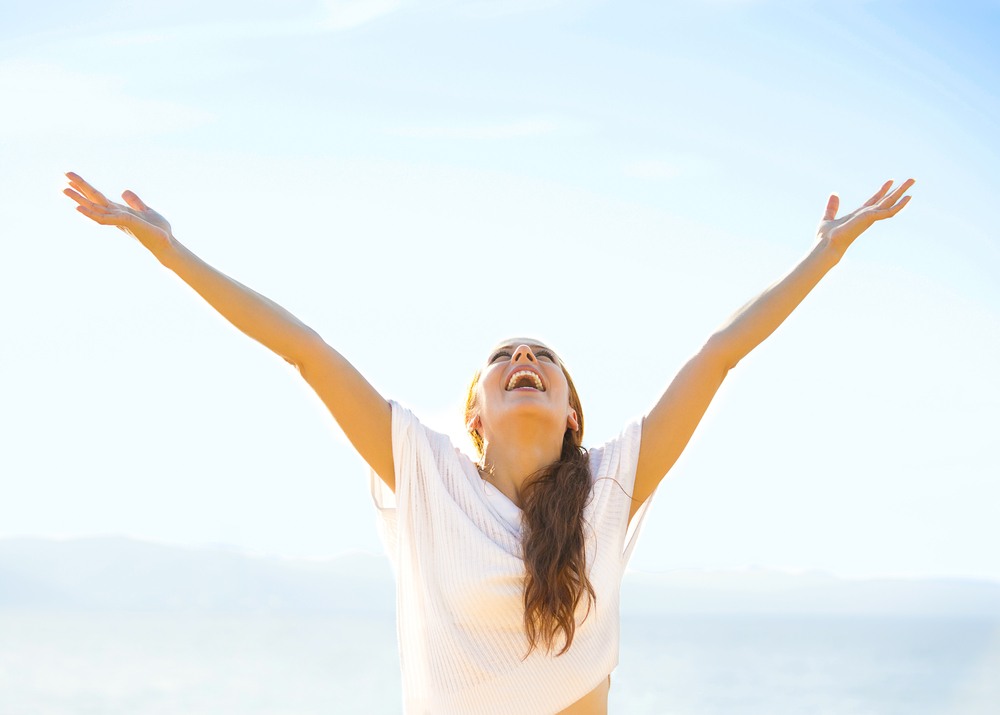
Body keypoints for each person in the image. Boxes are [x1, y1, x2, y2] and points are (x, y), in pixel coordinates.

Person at [63, 171, 914, 715]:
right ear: (473, 413)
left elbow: (718, 354)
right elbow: (305, 349)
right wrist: (173, 253)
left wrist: (823, 256)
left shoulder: (612, 484)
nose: (524, 359)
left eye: (544, 355)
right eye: (503, 356)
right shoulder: (424, 472)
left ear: (573, 410)